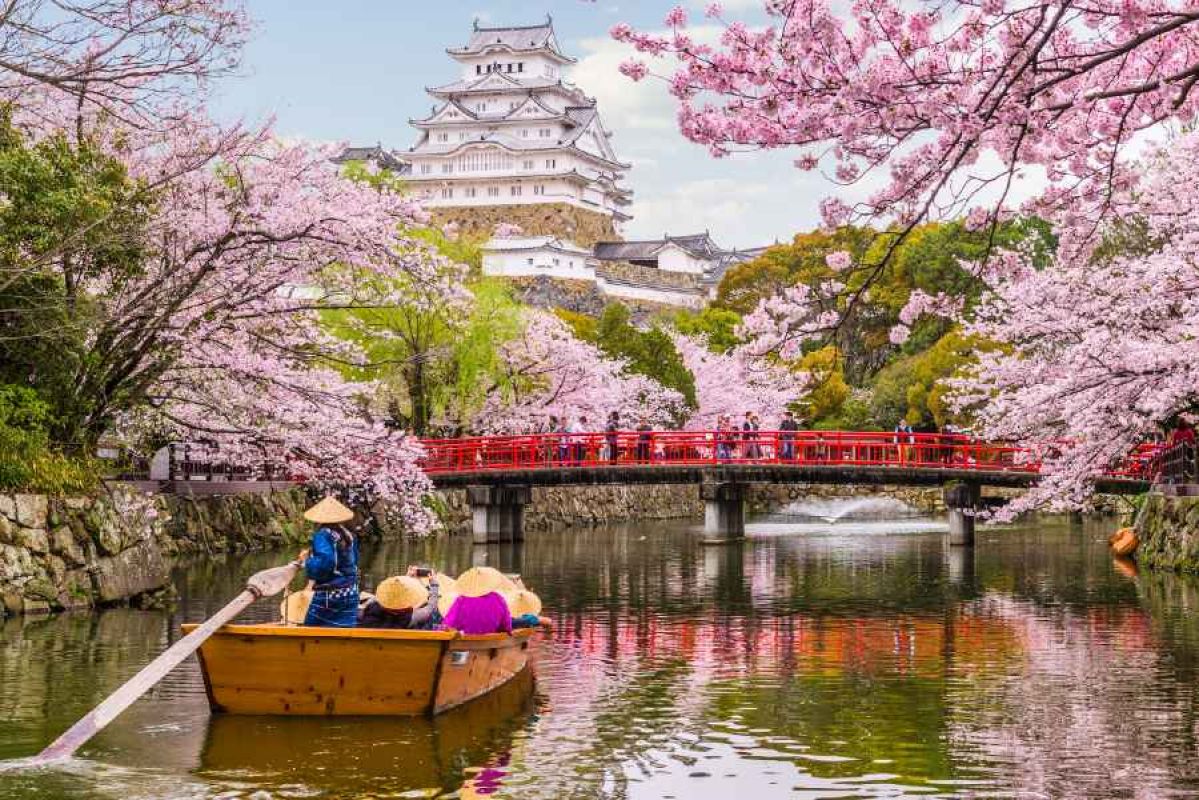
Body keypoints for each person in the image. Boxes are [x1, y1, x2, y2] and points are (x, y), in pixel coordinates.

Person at [296, 496, 359, 628]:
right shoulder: (348, 534)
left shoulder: (323, 535)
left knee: (311, 629)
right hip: (351, 591)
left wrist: (306, 561)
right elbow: (354, 561)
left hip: (330, 594)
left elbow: (325, 562)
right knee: (344, 628)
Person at [441, 566, 513, 635]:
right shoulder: (498, 599)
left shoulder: (462, 599)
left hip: (465, 643)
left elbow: (447, 625)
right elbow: (507, 626)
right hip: (491, 644)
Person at [358, 572, 441, 630]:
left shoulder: (371, 609)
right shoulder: (408, 618)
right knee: (433, 616)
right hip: (398, 647)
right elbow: (430, 608)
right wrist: (434, 585)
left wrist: (406, 579)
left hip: (370, 648)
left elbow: (381, 598)